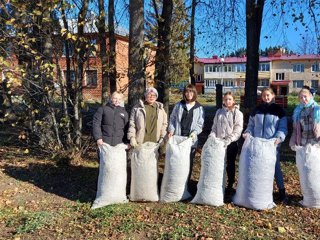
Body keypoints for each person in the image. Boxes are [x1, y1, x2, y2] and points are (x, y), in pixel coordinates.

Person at [242, 87, 288, 203]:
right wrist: (248, 132)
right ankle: (257, 192)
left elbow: (283, 128)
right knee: (257, 167)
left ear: (273, 96)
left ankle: (282, 192)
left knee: (275, 167)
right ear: (261, 97)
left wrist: (278, 138)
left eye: (268, 95)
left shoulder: (279, 111)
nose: (266, 97)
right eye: (264, 96)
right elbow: (251, 125)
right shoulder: (257, 110)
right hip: (258, 145)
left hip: (272, 145)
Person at [167, 84, 205, 194]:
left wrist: (195, 133)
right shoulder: (179, 105)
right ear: (184, 93)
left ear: (194, 93)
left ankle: (186, 187)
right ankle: (176, 186)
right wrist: (171, 130)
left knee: (188, 163)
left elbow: (200, 124)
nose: (189, 94)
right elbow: (173, 119)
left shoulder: (199, 108)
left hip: (190, 141)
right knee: (177, 162)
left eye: (191, 92)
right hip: (178, 139)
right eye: (187, 92)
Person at [209, 92, 243, 193]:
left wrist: (229, 139)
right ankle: (219, 182)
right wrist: (212, 135)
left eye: (230, 99)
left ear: (233, 100)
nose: (227, 101)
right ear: (223, 100)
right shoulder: (219, 112)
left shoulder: (237, 113)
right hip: (219, 143)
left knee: (230, 164)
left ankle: (230, 183)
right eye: (226, 99)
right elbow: (214, 126)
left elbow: (238, 130)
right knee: (218, 163)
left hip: (231, 144)